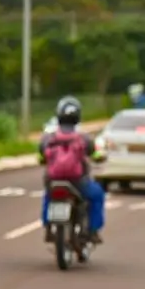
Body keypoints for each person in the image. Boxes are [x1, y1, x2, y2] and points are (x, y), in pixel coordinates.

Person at [39, 96, 106, 244]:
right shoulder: (84, 137)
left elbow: (41, 153)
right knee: (97, 194)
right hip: (78, 182)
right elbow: (93, 153)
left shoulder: (48, 137)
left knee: (49, 196)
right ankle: (93, 230)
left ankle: (48, 226)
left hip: (53, 180)